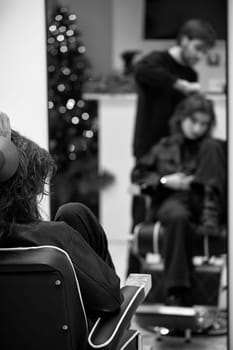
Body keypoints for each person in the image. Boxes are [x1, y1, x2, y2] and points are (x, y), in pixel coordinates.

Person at [0, 112, 123, 325]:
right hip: (68, 337)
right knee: (75, 213)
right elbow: (111, 299)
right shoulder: (55, 238)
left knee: (74, 214)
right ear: (26, 189)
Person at [131, 93, 226, 306]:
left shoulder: (215, 148)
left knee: (213, 146)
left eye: (204, 123)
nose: (198, 128)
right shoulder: (164, 145)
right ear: (182, 117)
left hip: (204, 202)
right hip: (173, 201)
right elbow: (138, 175)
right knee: (177, 216)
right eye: (194, 121)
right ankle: (177, 291)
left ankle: (210, 211)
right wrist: (165, 180)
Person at [132, 18, 216, 160]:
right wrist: (178, 84)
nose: (200, 56)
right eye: (198, 48)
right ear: (184, 40)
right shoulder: (156, 60)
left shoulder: (191, 74)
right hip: (149, 148)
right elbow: (141, 70)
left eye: (204, 52)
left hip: (176, 151)